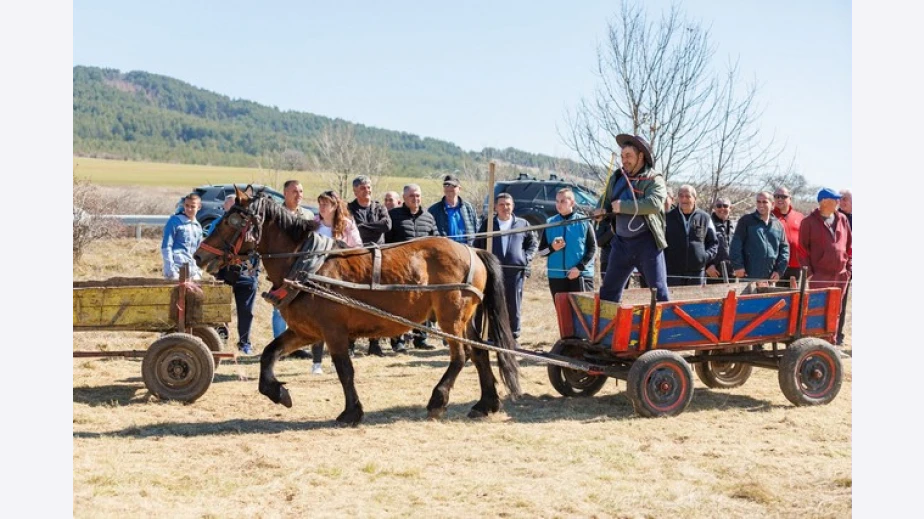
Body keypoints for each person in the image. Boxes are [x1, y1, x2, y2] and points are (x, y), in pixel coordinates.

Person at [594, 134, 669, 303]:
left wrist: (623, 206)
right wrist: (600, 211)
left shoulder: (654, 179)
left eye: (628, 156)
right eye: (622, 156)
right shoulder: (617, 177)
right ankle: (608, 321)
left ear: (640, 156)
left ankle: (666, 321)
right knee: (608, 293)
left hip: (647, 244)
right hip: (620, 244)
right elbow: (606, 200)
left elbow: (654, 204)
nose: (624, 160)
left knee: (659, 292)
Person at [302, 189, 364, 373]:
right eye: (320, 203)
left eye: (325, 204)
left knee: (338, 322)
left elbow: (358, 248)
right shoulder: (314, 224)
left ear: (335, 206)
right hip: (317, 277)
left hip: (340, 278)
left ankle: (336, 361)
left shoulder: (346, 225)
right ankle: (316, 362)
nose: (321, 207)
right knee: (318, 319)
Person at [473, 193, 538, 340]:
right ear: (495, 207)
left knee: (513, 305)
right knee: (493, 303)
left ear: (513, 206)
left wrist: (525, 259)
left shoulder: (522, 224)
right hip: (493, 272)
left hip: (515, 272)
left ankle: (513, 336)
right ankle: (492, 335)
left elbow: (533, 244)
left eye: (508, 204)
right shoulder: (488, 224)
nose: (505, 207)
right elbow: (477, 245)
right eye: (501, 205)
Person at [385, 184, 439, 352]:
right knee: (398, 305)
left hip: (422, 271)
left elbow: (435, 240)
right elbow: (386, 241)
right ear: (404, 198)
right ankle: (398, 340)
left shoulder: (428, 217)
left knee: (423, 304)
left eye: (418, 196)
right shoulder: (394, 216)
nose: (415, 199)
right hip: (399, 269)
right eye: (411, 196)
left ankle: (420, 339)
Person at [205, 195, 258, 355]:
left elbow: (257, 249)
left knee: (246, 311)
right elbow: (211, 247)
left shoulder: (251, 226)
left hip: (246, 274)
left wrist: (255, 272)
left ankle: (244, 343)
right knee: (221, 309)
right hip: (224, 273)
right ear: (225, 208)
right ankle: (221, 340)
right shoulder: (218, 225)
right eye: (230, 206)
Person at [347, 175, 392, 357]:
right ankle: (350, 343)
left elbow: (386, 225)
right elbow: (353, 229)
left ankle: (375, 343)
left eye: (368, 187)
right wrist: (372, 228)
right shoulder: (350, 208)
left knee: (377, 300)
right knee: (353, 300)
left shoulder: (379, 207)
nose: (367, 190)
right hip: (356, 259)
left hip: (378, 258)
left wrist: (364, 227)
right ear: (355, 191)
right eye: (363, 188)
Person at [272, 180, 316, 354]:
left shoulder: (307, 215)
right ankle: (280, 348)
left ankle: (297, 345)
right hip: (283, 269)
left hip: (304, 268)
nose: (299, 195)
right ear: (285, 194)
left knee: (304, 308)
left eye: (301, 191)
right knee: (280, 307)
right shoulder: (276, 214)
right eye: (294, 192)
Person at [538, 188, 597, 297]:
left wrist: (579, 268)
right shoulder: (550, 223)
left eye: (563, 201)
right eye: (557, 201)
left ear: (572, 203)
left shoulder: (584, 221)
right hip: (556, 277)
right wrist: (552, 248)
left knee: (582, 309)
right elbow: (541, 252)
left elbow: (593, 249)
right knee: (562, 308)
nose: (559, 204)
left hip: (580, 275)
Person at [729, 191, 789, 283]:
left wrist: (779, 271)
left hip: (769, 278)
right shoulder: (746, 221)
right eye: (758, 202)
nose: (761, 205)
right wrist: (738, 266)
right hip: (748, 275)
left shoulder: (778, 225)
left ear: (772, 204)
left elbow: (784, 250)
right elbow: (735, 245)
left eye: (765, 202)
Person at [798, 188, 852, 290]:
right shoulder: (808, 222)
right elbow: (802, 250)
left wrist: (849, 270)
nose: (838, 202)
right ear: (824, 201)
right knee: (819, 302)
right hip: (819, 278)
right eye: (835, 199)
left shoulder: (843, 219)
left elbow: (849, 246)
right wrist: (810, 275)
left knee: (838, 302)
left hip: (841, 277)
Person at [664, 185, 717, 286]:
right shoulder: (668, 217)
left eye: (687, 196)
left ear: (694, 198)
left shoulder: (705, 217)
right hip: (672, 272)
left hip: (697, 273)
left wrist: (704, 258)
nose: (684, 199)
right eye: (681, 196)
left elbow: (714, 243)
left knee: (695, 297)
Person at [427, 172, 479, 246]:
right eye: (446, 185)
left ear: (459, 189)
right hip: (445, 251)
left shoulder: (469, 208)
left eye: (453, 186)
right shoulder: (434, 210)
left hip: (467, 250)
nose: (449, 188)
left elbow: (477, 230)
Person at [161, 193, 203, 281]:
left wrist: (199, 271)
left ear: (199, 207)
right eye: (187, 205)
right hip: (177, 269)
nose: (189, 209)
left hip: (193, 271)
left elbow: (199, 250)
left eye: (192, 206)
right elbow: (166, 246)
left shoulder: (198, 227)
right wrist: (170, 268)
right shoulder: (174, 221)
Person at [771, 186, 805, 286]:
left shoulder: (799, 216)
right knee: (776, 294)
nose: (780, 199)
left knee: (794, 294)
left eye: (783, 196)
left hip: (796, 265)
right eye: (777, 196)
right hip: (775, 266)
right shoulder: (769, 216)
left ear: (790, 198)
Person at [706, 197, 735, 283]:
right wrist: (707, 266)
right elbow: (700, 246)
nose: (722, 208)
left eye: (725, 206)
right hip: (713, 273)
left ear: (730, 208)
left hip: (732, 273)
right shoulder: (707, 224)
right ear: (714, 208)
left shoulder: (735, 226)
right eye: (719, 206)